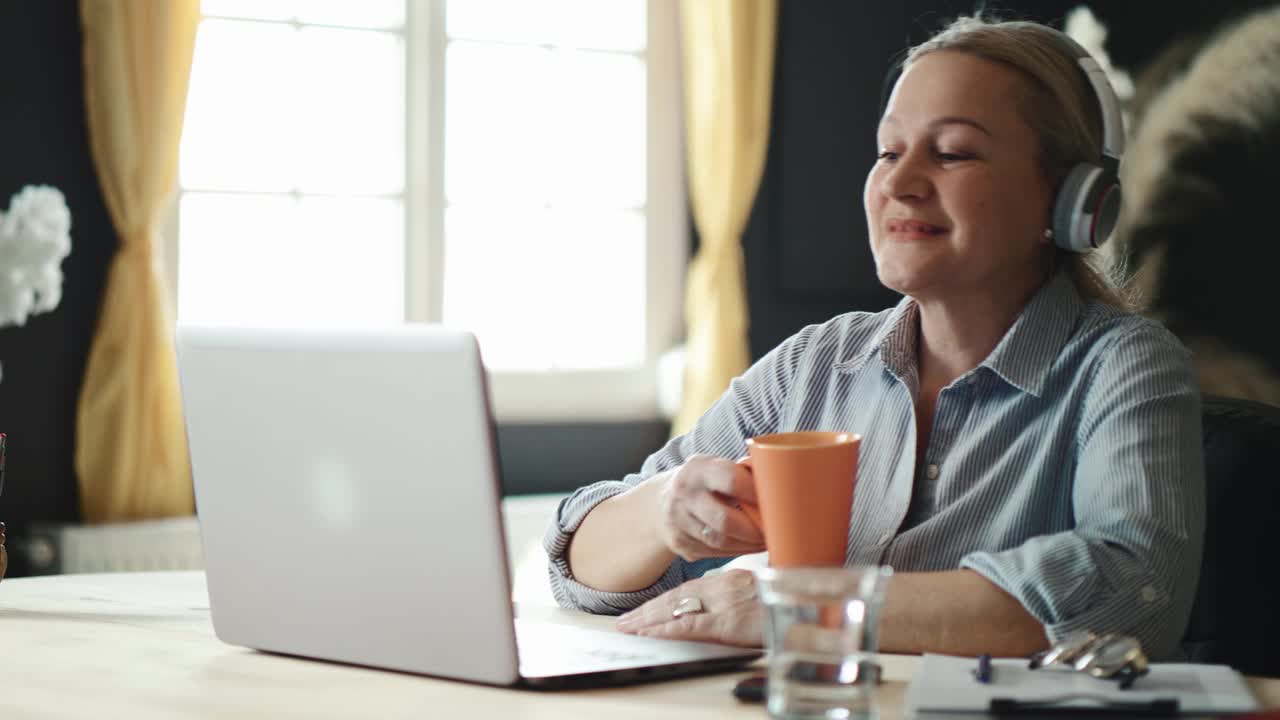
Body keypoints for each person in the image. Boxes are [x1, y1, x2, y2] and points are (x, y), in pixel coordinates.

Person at [543, 16, 1205, 661]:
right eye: (889, 151)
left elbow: (1132, 589)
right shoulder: (814, 365)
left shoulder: (1124, 365)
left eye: (951, 153)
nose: (900, 182)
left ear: (1067, 202)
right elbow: (578, 567)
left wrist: (796, 608)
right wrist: (665, 508)